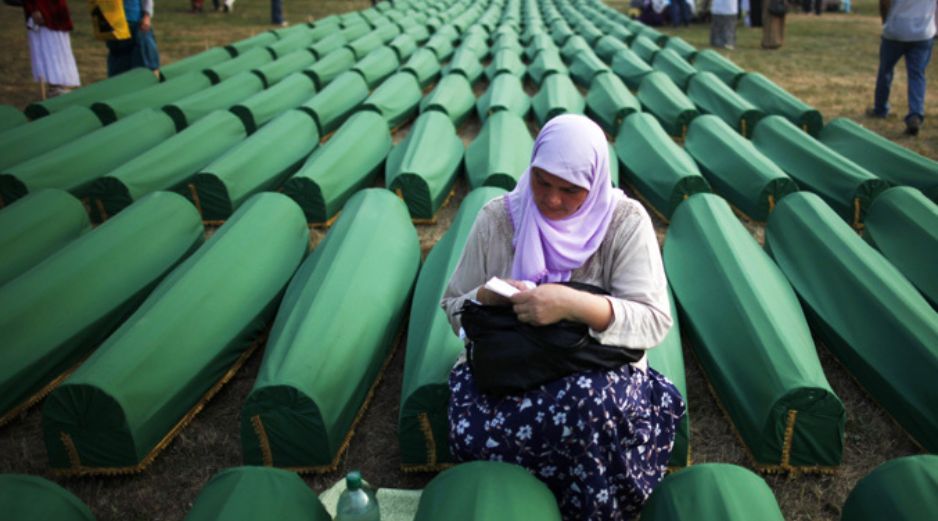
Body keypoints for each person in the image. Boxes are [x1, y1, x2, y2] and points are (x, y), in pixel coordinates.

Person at [442, 115, 685, 521]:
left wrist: (573, 304)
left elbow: (653, 320)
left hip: (593, 372)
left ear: (595, 182)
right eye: (542, 182)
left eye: (570, 190)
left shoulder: (624, 223)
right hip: (512, 367)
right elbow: (453, 307)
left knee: (590, 407)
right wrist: (487, 295)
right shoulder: (498, 218)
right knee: (476, 423)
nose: (552, 200)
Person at [868, 0, 936, 135]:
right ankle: (915, 113)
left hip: (896, 30)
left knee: (885, 71)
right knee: (917, 75)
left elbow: (884, 3)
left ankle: (880, 108)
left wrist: (885, 22)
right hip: (923, 32)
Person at [22, 0, 81, 98]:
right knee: (48, 42)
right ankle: (55, 86)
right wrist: (34, 8)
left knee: (59, 43)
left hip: (55, 8)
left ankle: (61, 84)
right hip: (43, 7)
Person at [106, 0, 159, 77]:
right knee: (119, 65)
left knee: (146, 62)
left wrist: (146, 16)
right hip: (114, 25)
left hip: (136, 23)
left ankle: (150, 79)